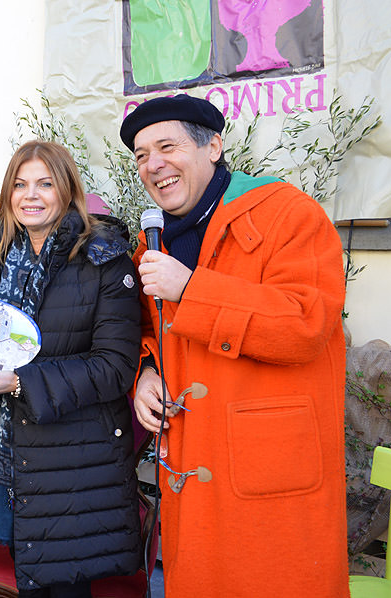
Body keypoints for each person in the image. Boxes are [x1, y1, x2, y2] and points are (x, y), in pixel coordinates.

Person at [123, 95, 349, 597]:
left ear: (215, 147)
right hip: (194, 477)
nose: (152, 164)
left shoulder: (289, 213)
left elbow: (306, 321)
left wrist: (193, 289)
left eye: (167, 146)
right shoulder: (151, 242)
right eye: (141, 154)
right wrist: (145, 374)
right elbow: (147, 331)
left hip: (272, 481)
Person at [0, 140, 143, 597]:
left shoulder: (103, 259)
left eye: (44, 183)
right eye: (19, 184)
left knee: (65, 581)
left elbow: (115, 367)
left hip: (73, 459)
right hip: (13, 454)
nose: (30, 195)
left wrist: (21, 382)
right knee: (31, 574)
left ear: (66, 189)